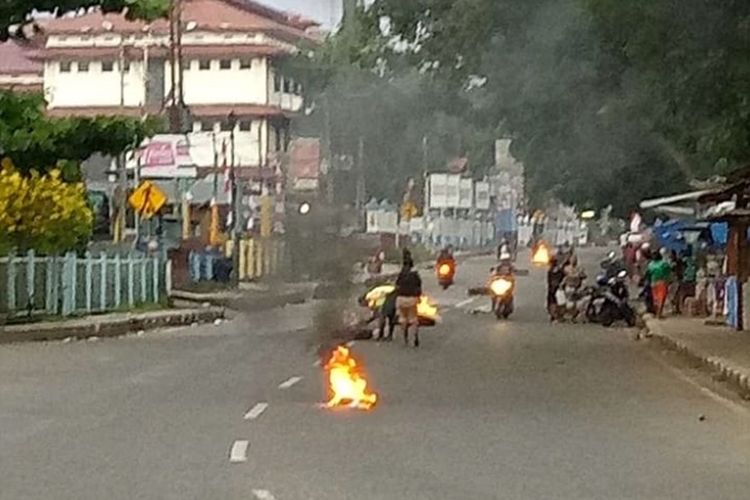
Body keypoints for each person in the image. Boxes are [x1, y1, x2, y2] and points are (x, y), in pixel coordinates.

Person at [395, 252, 422, 347]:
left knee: (403, 318)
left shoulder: (401, 275)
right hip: (412, 299)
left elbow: (397, 286)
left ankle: (405, 338)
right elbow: (419, 286)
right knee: (414, 318)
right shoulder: (415, 275)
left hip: (401, 299)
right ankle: (415, 337)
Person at [647, 251, 672, 319]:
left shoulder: (650, 264)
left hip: (653, 282)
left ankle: (656, 313)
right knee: (661, 298)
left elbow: (648, 273)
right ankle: (659, 314)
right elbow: (668, 272)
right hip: (662, 282)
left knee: (655, 299)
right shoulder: (664, 264)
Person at [547, 255, 565, 321]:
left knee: (554, 301)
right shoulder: (554, 270)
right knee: (555, 301)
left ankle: (555, 315)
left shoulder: (551, 271)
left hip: (554, 288)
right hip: (554, 288)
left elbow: (549, 281)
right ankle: (555, 315)